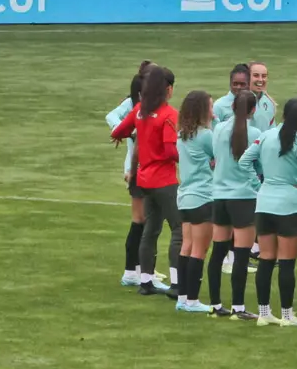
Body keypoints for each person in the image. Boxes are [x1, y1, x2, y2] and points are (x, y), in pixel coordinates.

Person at [240, 98, 297, 327]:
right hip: (289, 205)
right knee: (287, 263)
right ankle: (287, 315)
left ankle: (264, 313)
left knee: (266, 260)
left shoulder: (266, 136)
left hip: (264, 204)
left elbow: (244, 161)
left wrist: (258, 183)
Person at [110, 65, 182, 299]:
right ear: (167, 90)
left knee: (150, 230)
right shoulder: (169, 114)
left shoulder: (139, 110)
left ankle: (146, 282)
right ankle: (176, 284)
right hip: (164, 180)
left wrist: (139, 137)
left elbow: (118, 131)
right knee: (178, 229)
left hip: (144, 179)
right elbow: (172, 151)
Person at [206, 91, 261, 321]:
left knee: (218, 252)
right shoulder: (255, 133)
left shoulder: (218, 130)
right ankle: (238, 307)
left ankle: (215, 304)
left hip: (219, 197)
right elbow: (259, 165)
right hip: (244, 198)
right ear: (253, 110)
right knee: (241, 254)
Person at [106, 64, 149, 286]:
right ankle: (133, 270)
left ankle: (141, 269)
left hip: (144, 170)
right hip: (136, 169)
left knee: (145, 222)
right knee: (140, 221)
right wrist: (128, 131)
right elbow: (111, 117)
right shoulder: (135, 107)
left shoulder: (148, 109)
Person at [174, 89, 216, 314]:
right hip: (203, 197)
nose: (213, 111)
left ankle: (182, 297)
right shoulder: (205, 135)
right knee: (199, 250)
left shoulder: (182, 135)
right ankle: (192, 300)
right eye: (210, 106)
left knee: (186, 247)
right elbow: (221, 157)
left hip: (185, 198)